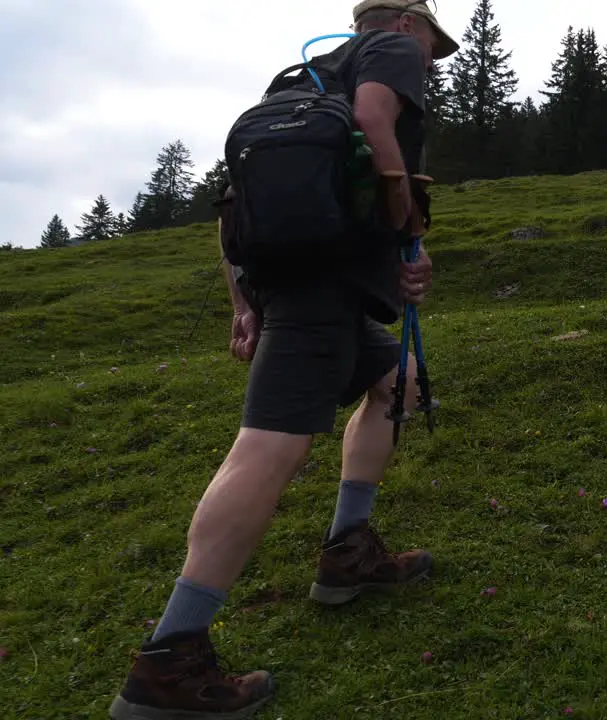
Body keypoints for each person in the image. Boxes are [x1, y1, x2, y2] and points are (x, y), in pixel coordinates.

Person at [107, 3, 459, 718]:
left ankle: (348, 553)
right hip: (323, 291)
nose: (432, 61)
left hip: (290, 282)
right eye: (431, 43)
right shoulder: (383, 55)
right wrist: (407, 240)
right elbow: (372, 120)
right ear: (400, 25)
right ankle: (170, 661)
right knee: (267, 448)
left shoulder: (293, 84)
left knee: (398, 379)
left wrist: (243, 303)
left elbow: (234, 203)